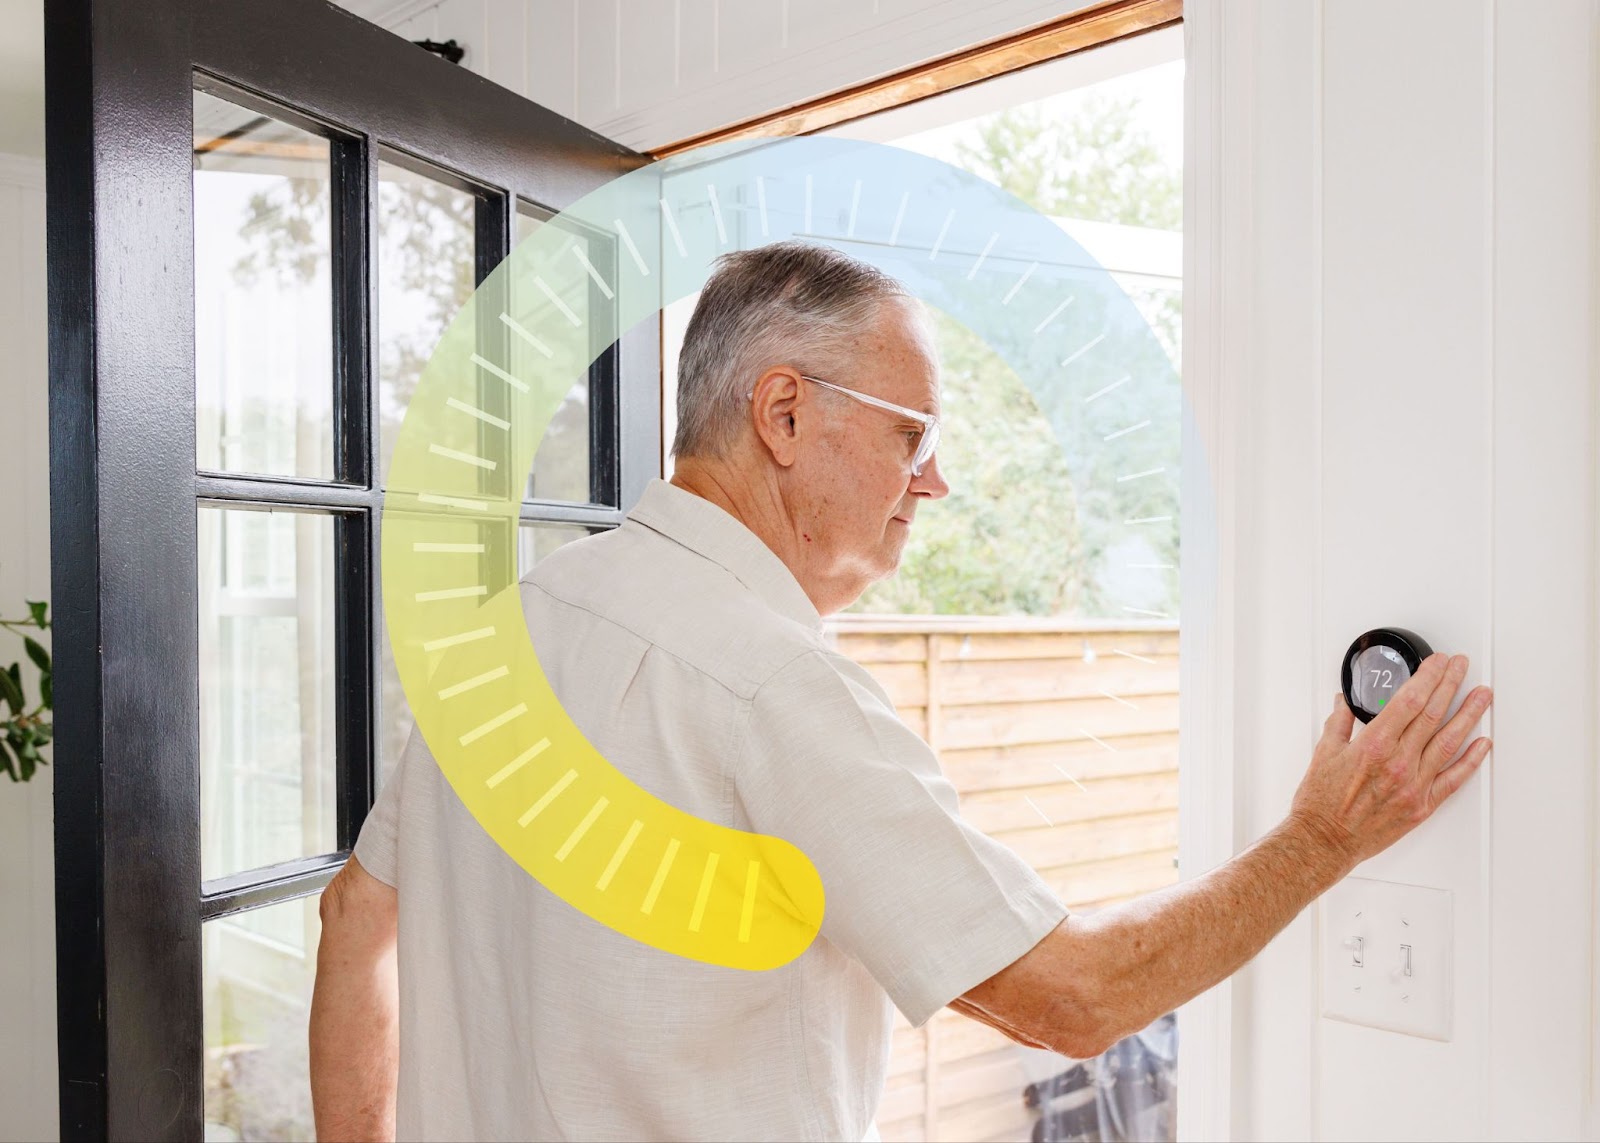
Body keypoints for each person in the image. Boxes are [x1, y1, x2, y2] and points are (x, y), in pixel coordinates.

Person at [309, 239, 1493, 1142]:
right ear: (782, 414)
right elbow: (1070, 1000)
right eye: (911, 433)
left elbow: (354, 920)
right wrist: (1322, 838)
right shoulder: (771, 684)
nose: (934, 483)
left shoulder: (512, 626)